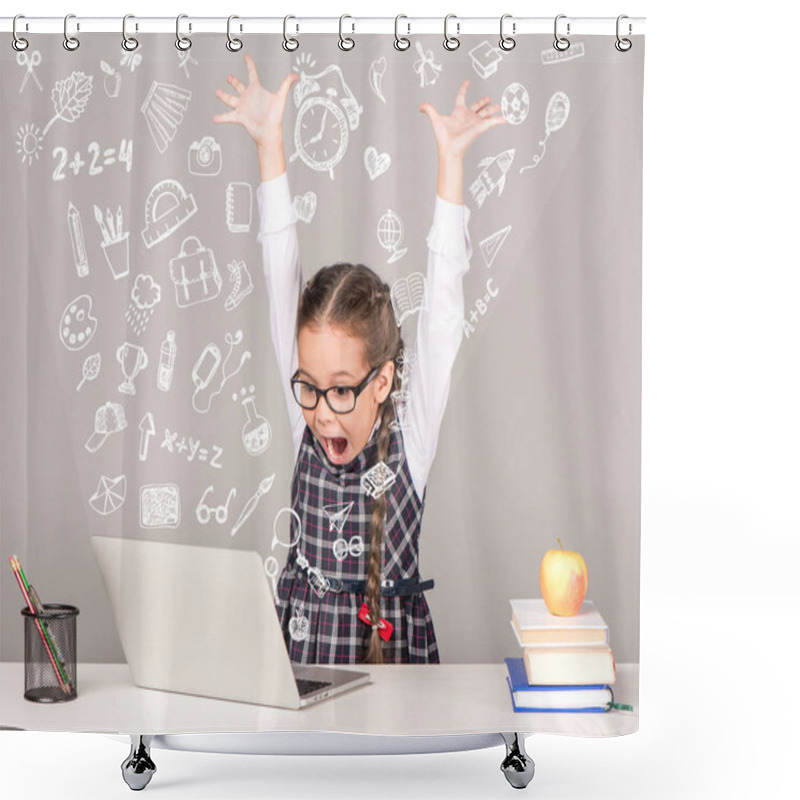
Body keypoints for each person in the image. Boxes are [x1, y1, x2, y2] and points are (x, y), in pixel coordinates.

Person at [213, 53, 506, 664]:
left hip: (393, 675)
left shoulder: (411, 441)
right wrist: (270, 146)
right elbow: (279, 275)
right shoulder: (308, 419)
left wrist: (451, 166)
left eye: (342, 390)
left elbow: (444, 314)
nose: (321, 414)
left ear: (383, 382)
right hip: (299, 664)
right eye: (309, 388)